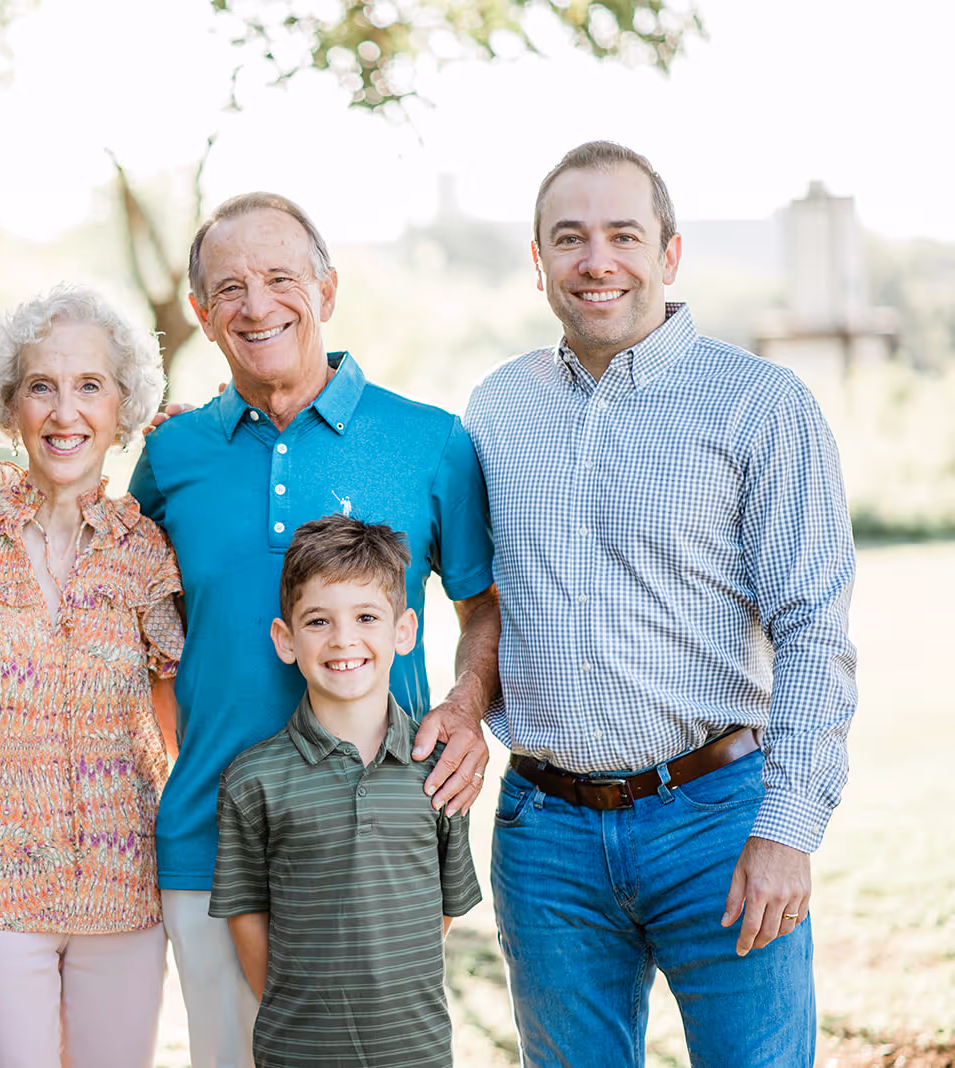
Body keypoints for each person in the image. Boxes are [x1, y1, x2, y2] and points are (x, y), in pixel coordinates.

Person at [465, 141, 857, 1065]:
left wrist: (788, 830)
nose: (596, 260)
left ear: (669, 253)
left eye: (622, 235)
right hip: (546, 839)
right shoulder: (494, 411)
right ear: (539, 262)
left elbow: (813, 628)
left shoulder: (760, 404)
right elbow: (474, 598)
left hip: (718, 819)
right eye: (570, 238)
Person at [130, 191, 501, 1068]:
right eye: (230, 288)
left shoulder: (432, 440)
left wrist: (466, 707)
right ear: (201, 314)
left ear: (326, 291)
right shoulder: (172, 455)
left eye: (280, 279)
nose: (257, 305)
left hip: (376, 841)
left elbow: (481, 608)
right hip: (206, 839)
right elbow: (136, 611)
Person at [0, 283, 182, 1068]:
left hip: (125, 886)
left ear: (123, 406)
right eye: (42, 386)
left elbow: (176, 727)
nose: (66, 413)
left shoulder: (146, 553)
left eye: (90, 385)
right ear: (9, 404)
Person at [210, 515, 481, 1068]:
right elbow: (247, 918)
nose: (343, 639)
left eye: (365, 617)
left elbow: (441, 915)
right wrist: (305, 1012)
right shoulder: (252, 780)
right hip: (296, 1049)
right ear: (286, 640)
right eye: (317, 621)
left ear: (404, 631)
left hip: (417, 1050)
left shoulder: (439, 771)